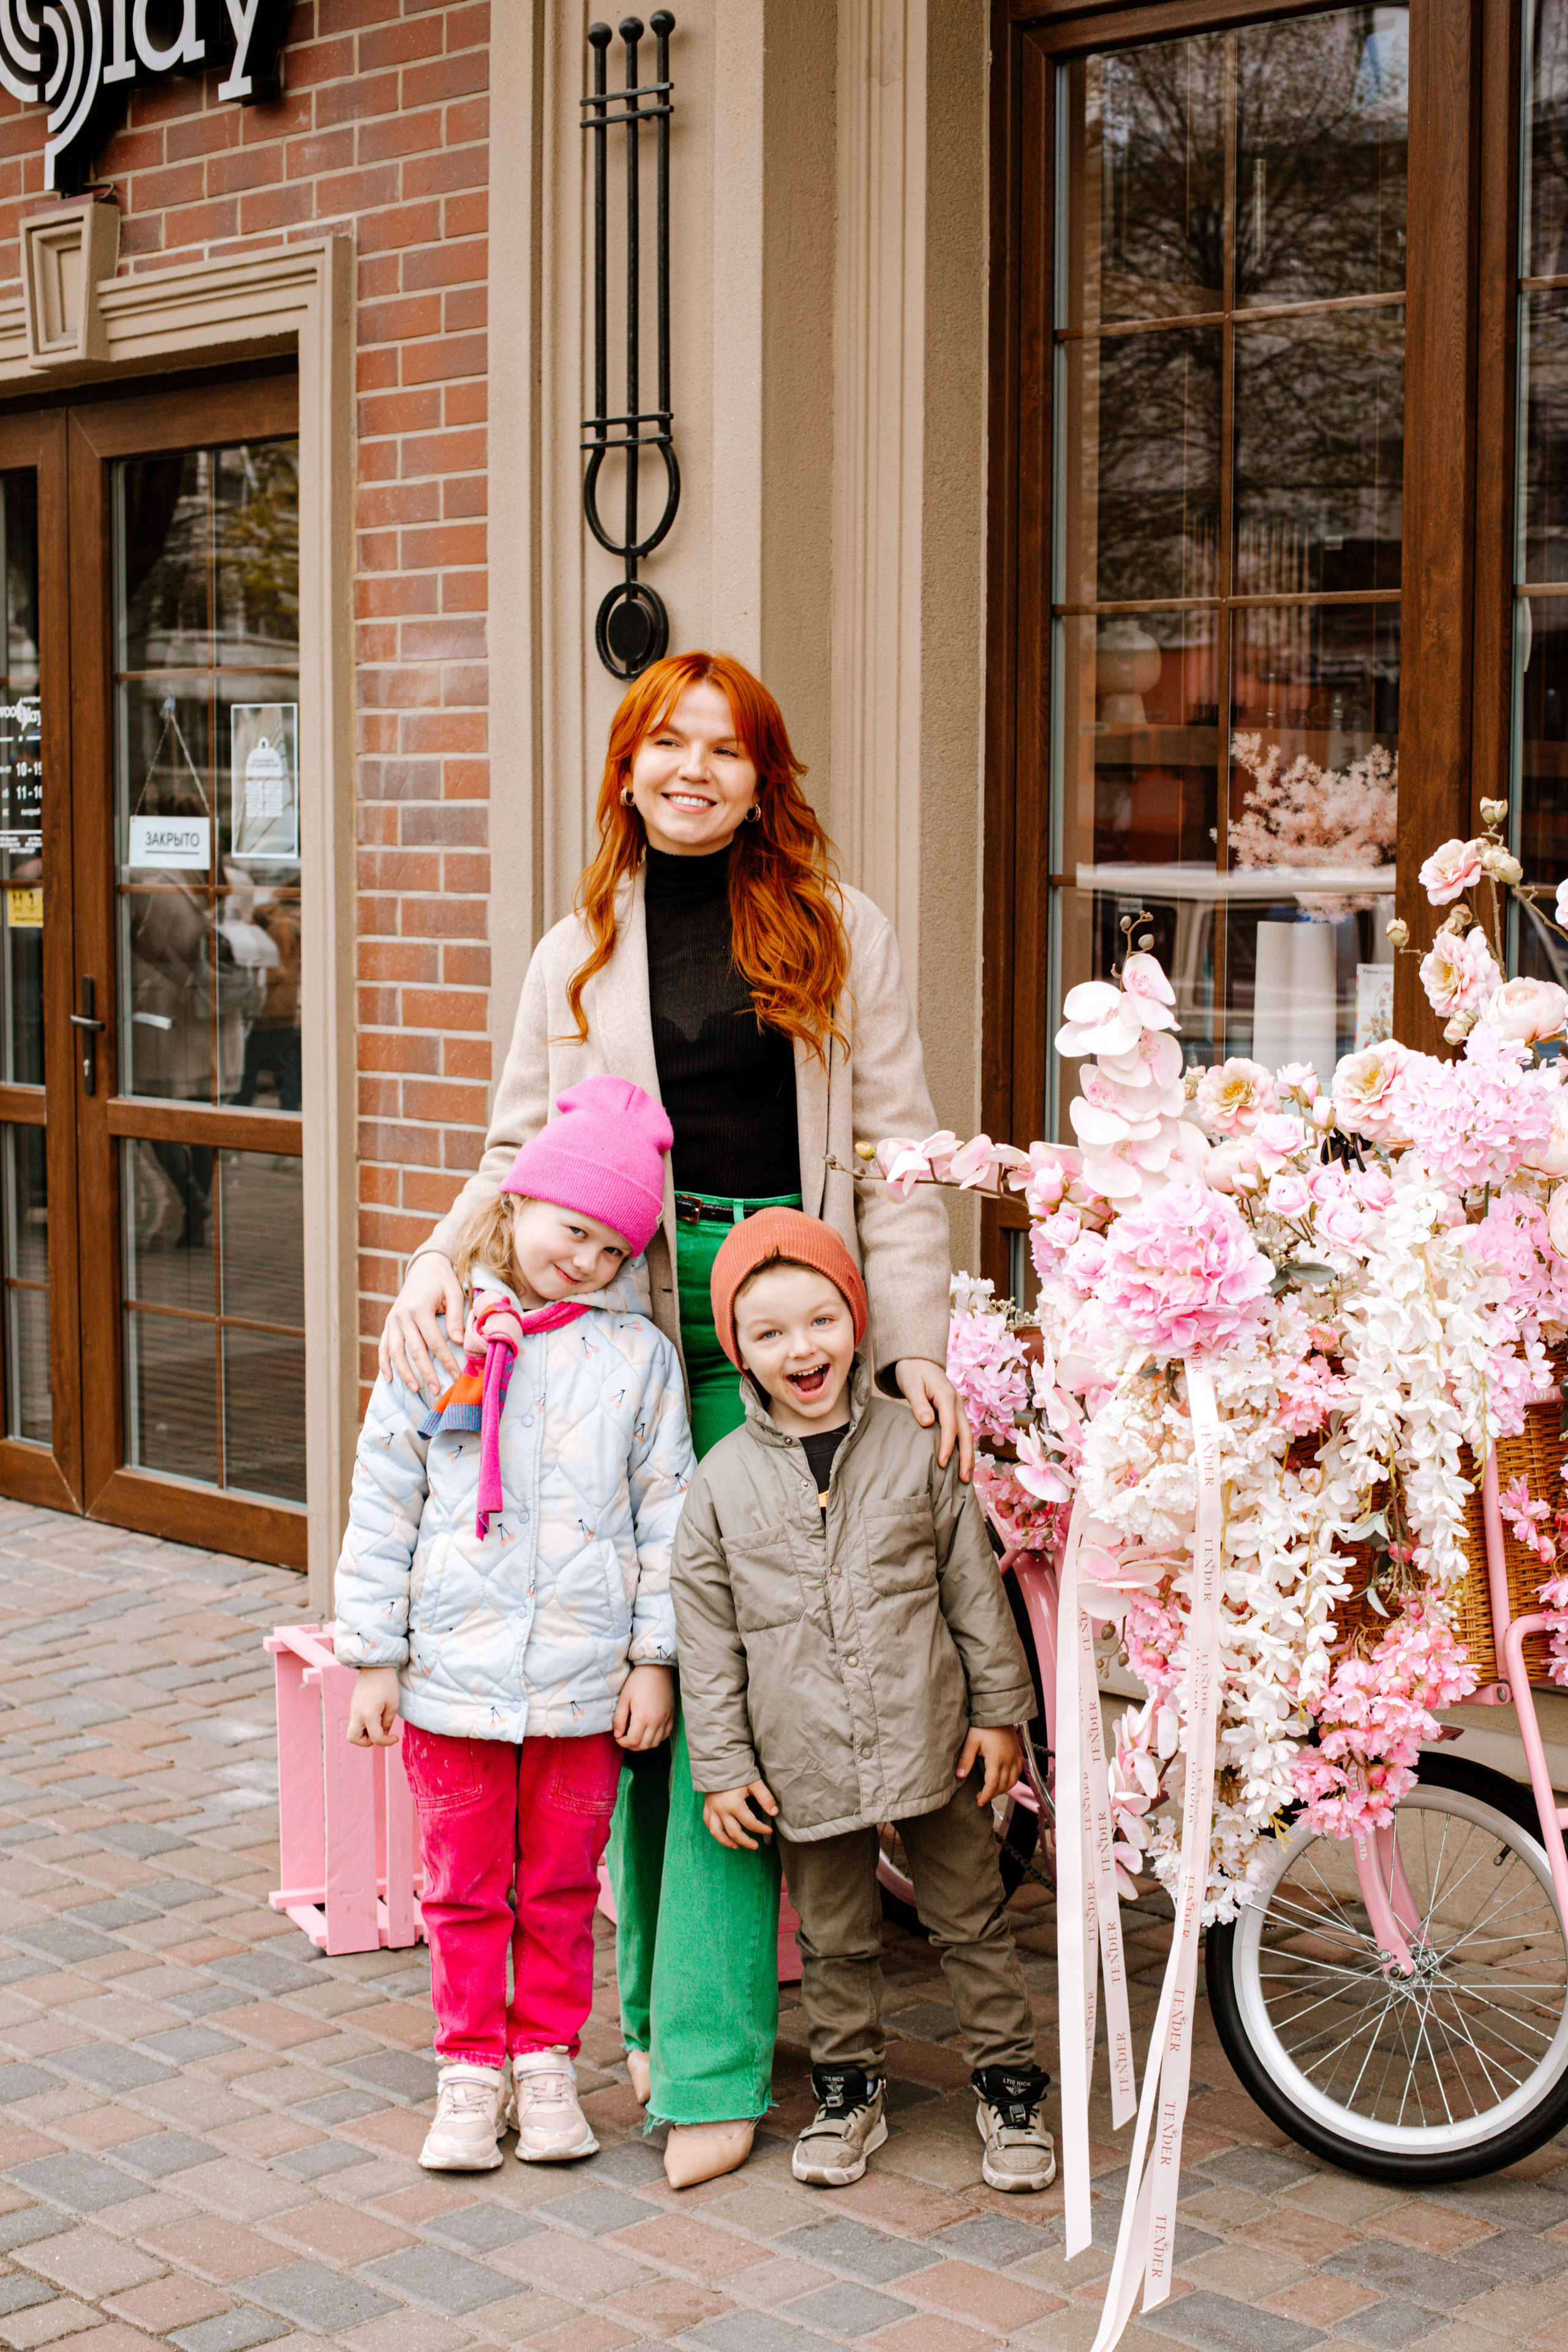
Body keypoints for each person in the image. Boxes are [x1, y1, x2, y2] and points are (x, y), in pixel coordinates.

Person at [377, 649, 968, 2188]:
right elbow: (517, 1149)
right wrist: (436, 1263)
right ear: (627, 769)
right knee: (622, 1674)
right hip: (619, 1315)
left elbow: (899, 1152)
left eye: (726, 748)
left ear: (765, 776)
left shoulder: (844, 933)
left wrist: (905, 1349)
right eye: (666, 744)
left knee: (714, 1681)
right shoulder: (574, 947)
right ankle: (636, 2019)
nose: (693, 769)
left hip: (786, 1311)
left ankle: (700, 2060)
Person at [334, 1076, 692, 2174]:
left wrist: (654, 1661)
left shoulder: (637, 1362)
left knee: (560, 1888)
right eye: (571, 1229)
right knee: (463, 1883)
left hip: (585, 1687)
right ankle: (467, 2070)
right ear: (524, 1201)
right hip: (452, 1678)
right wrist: (374, 1661)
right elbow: (383, 1496)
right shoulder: (444, 1336)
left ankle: (544, 2060)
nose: (583, 1260)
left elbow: (667, 1517)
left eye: (609, 1248)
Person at [672, 1207, 1057, 2194]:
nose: (802, 1349)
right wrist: (723, 1768)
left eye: (821, 1320)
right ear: (740, 1355)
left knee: (971, 1919)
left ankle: (1010, 2089)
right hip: (799, 1751)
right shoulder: (719, 1488)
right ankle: (849, 2090)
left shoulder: (914, 1449)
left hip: (936, 1736)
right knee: (836, 1935)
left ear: (856, 1319)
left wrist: (999, 1715)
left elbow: (973, 1588)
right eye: (770, 1334)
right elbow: (708, 1646)